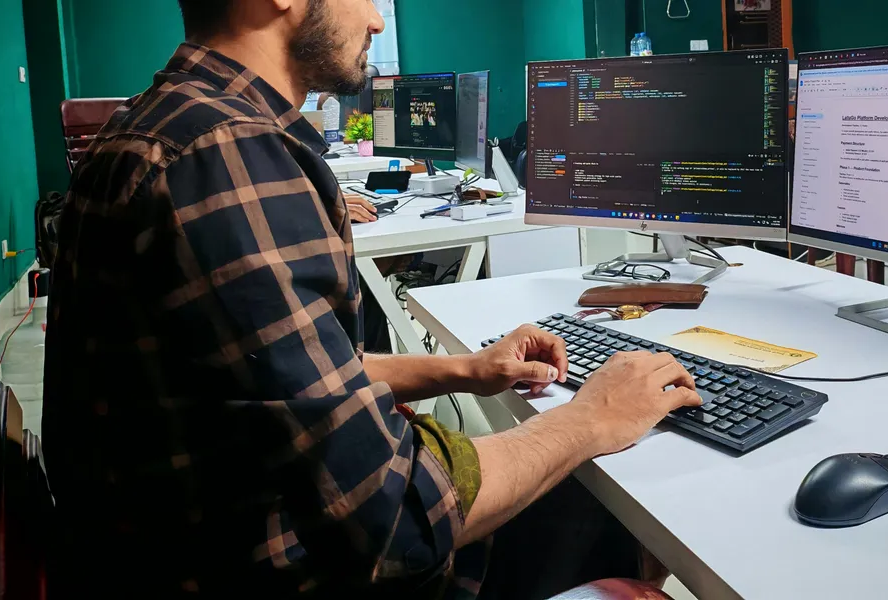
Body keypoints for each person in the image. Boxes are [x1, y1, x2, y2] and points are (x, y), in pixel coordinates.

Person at [42, 1, 701, 598]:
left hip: (181, 545)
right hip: (283, 569)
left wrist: (465, 368)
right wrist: (588, 418)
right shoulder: (228, 157)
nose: (378, 21)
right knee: (612, 506)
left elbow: (281, 382)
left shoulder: (160, 125)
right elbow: (394, 521)